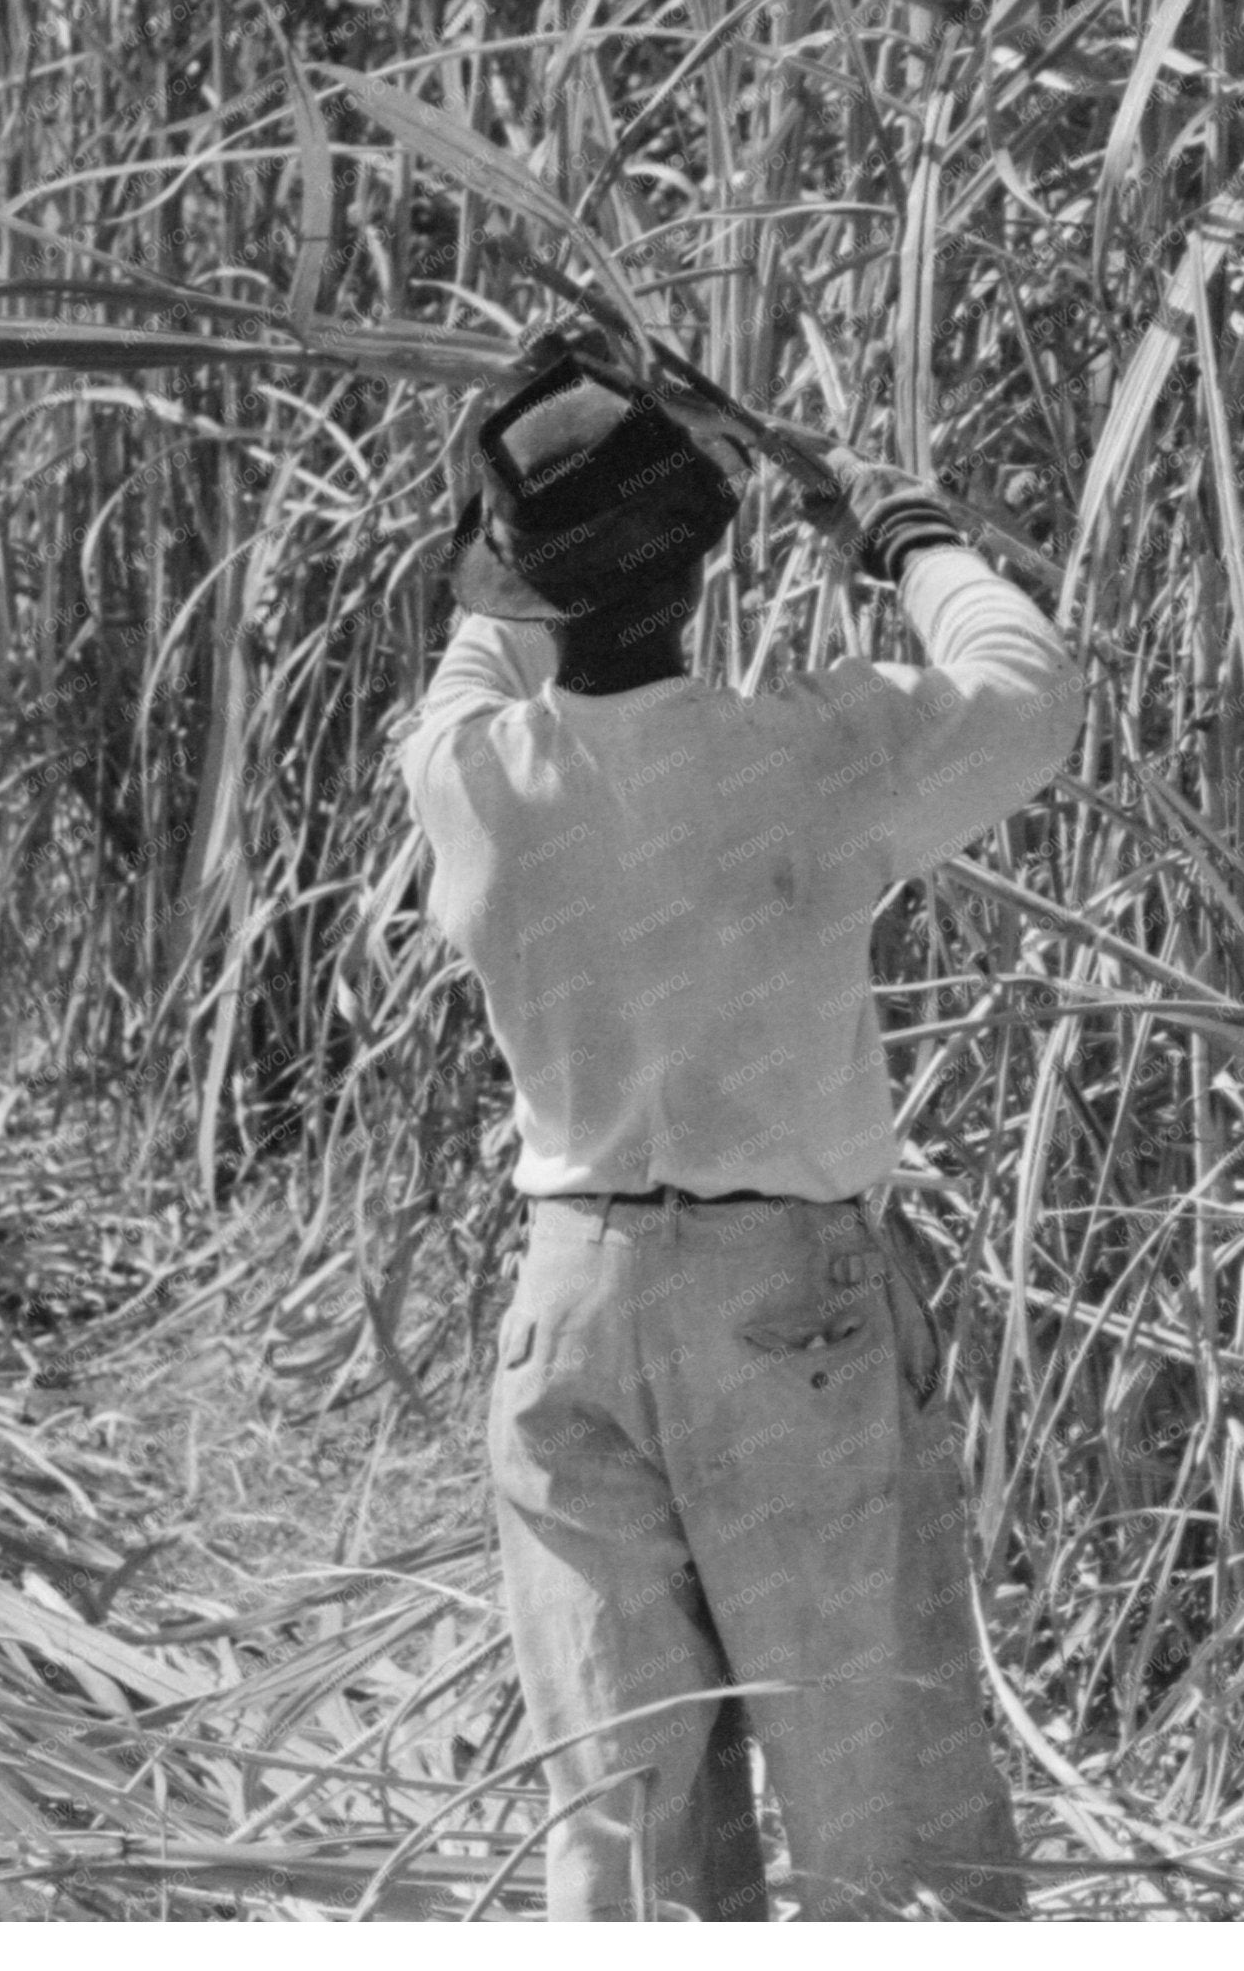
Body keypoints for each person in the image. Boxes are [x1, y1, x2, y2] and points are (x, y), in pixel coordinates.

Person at [391, 330, 1081, 1920]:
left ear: (516, 575)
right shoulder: (800, 761)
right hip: (787, 1322)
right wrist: (899, 531)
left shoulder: (468, 778)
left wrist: (495, 504)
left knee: (627, 1843)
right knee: (882, 1823)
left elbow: (476, 637)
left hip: (564, 1319)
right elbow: (1023, 693)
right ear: (707, 559)